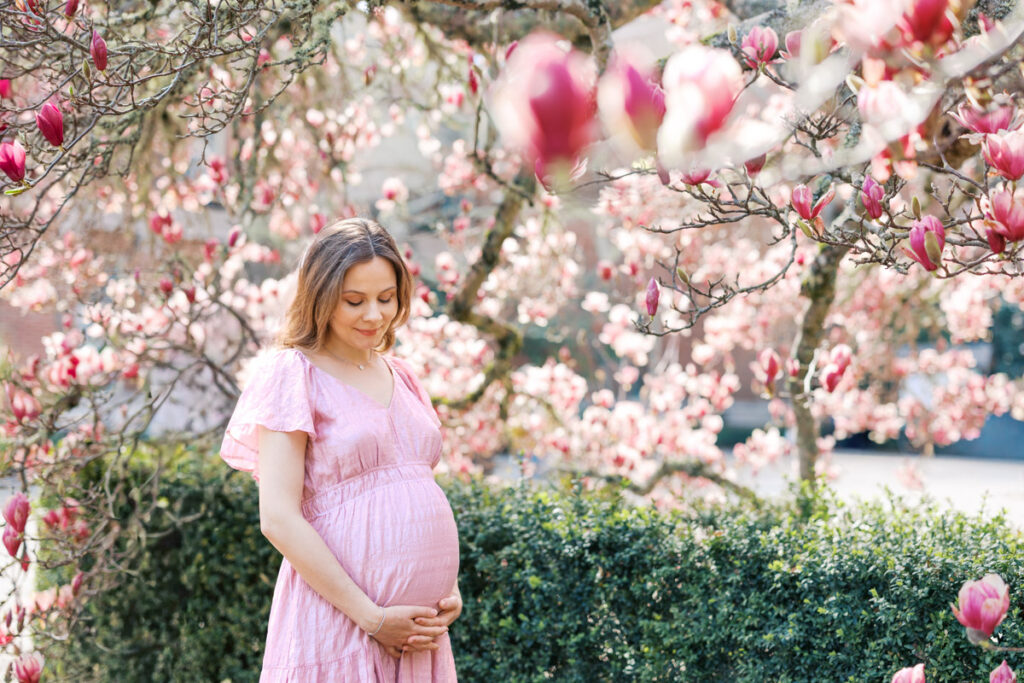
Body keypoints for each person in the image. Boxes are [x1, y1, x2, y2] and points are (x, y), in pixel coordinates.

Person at [219, 217, 462, 681]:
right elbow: (278, 517)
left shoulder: (404, 377)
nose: (374, 315)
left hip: (417, 638)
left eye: (386, 298)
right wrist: (373, 619)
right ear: (322, 297)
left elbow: (416, 486)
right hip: (343, 628)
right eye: (354, 301)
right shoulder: (294, 374)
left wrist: (448, 587)